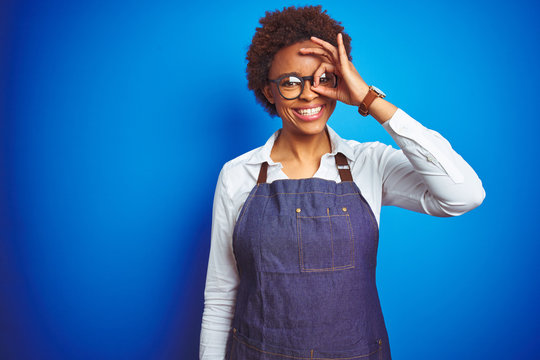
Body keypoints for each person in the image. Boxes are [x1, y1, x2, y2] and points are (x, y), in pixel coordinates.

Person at [200, 5, 485, 359]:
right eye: (290, 82)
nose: (308, 95)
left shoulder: (370, 163)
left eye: (324, 79)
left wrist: (369, 99)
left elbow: (465, 195)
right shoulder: (237, 174)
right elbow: (221, 294)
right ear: (268, 91)